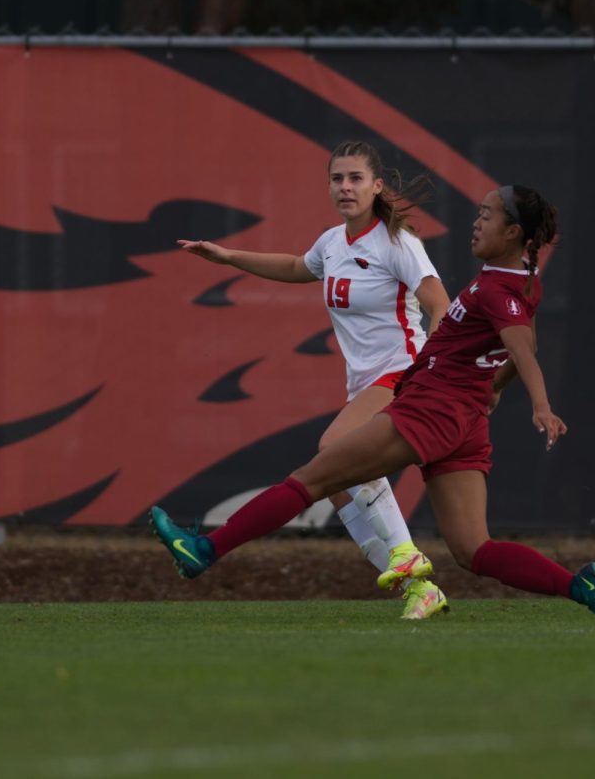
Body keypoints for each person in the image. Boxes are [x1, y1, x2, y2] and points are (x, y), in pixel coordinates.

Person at [154, 184, 595, 622]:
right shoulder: (519, 282)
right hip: (463, 420)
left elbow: (523, 348)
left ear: (514, 231)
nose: (477, 221)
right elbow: (523, 338)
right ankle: (581, 586)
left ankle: (205, 549)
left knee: (313, 478)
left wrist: (539, 405)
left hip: (431, 410)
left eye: (488, 215)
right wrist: (494, 388)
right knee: (474, 550)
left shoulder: (495, 287)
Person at [177, 140, 452, 620]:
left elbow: (439, 305)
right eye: (337, 179)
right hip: (365, 384)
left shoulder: (398, 243)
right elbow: (294, 267)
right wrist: (226, 257)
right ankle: (415, 587)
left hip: (403, 373)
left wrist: (432, 367)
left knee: (334, 450)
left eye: (355, 178)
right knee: (340, 482)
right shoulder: (332, 243)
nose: (345, 187)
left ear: (377, 186)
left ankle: (409, 560)